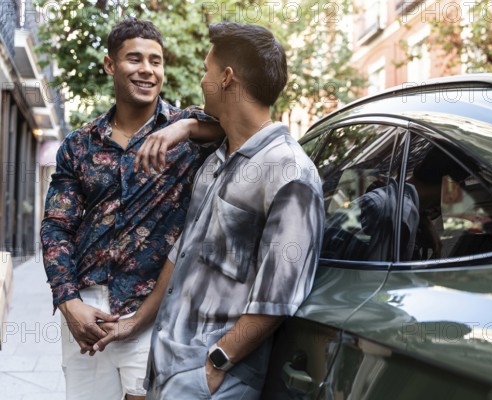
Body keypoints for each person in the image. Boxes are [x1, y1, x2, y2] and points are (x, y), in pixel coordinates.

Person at [138, 22, 324, 399]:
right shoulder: (217, 161)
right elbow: (184, 251)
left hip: (211, 379)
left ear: (226, 78)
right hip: (169, 365)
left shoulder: (290, 172)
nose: (201, 80)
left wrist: (214, 364)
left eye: (206, 70)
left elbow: (279, 296)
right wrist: (135, 325)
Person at [40, 18, 223, 400]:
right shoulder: (79, 144)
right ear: (110, 65)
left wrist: (184, 128)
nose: (146, 70)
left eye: (155, 61)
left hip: (152, 308)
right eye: (134, 59)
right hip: (87, 306)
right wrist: (68, 302)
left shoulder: (186, 131)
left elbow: (233, 129)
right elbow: (56, 226)